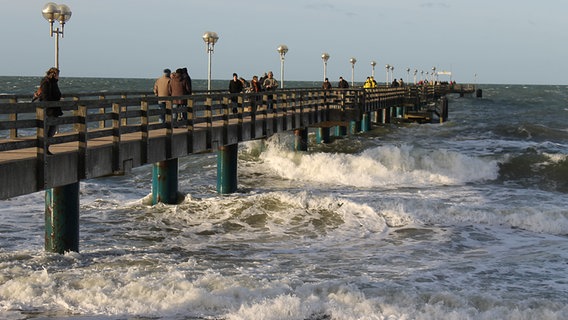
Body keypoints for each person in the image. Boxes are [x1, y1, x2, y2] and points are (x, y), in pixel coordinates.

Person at [36, 67, 62, 155]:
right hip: (48, 110)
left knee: (52, 130)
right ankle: (43, 149)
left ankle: (46, 148)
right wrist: (53, 102)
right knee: (46, 130)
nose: (58, 77)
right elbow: (45, 96)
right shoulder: (46, 82)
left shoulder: (54, 83)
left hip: (54, 109)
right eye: (58, 75)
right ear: (54, 74)